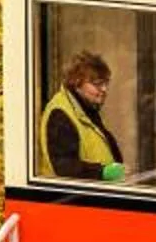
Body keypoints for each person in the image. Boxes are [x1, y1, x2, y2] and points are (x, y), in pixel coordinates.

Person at [41, 51, 127, 181]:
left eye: (106, 83)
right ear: (77, 83)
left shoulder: (85, 108)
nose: (104, 89)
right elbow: (63, 165)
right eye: (97, 84)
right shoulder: (60, 114)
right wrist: (102, 172)